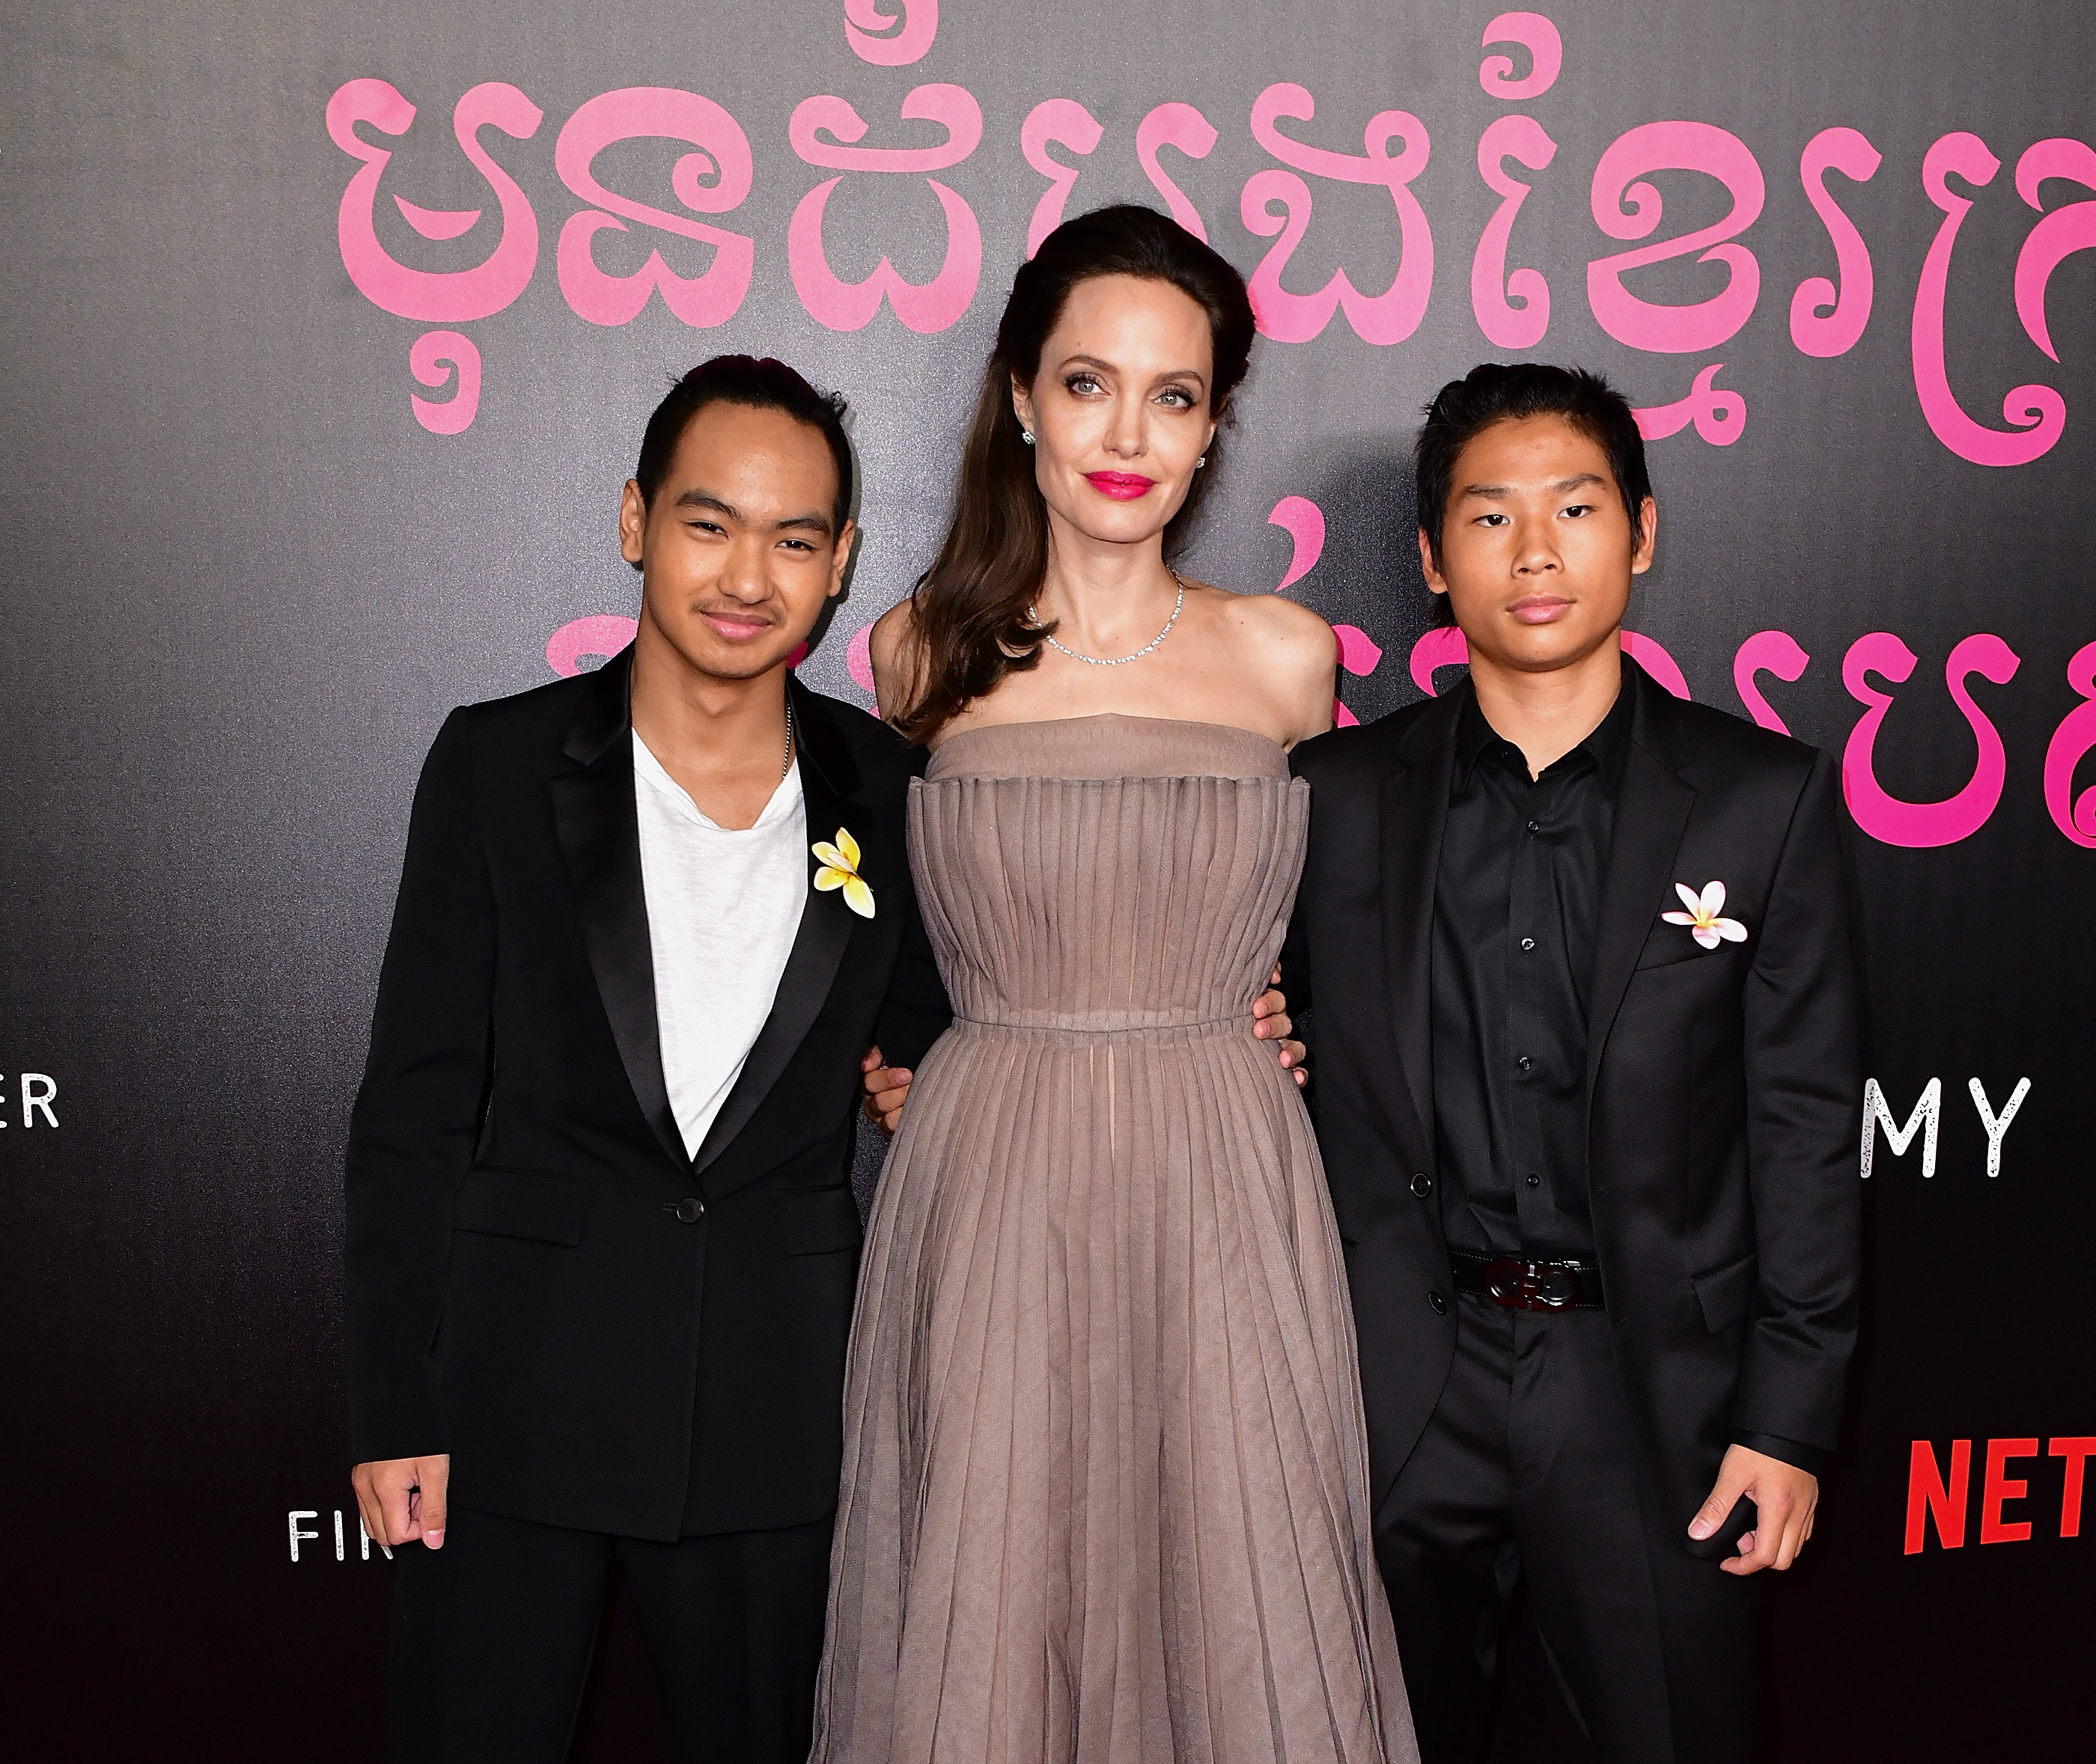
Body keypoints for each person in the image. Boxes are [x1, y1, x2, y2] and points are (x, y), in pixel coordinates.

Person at [817, 205, 1418, 1764]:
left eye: (1174, 394)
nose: (1127, 434)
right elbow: (866, 924)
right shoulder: (913, 657)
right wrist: (906, 1052)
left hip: (1222, 1171)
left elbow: (1339, 933)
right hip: (996, 1174)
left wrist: (1264, 1004)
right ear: (1019, 394)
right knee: (989, 1610)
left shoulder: (1290, 659)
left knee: (1241, 1597)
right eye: (1089, 384)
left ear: (1215, 425)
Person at [344, 355, 954, 1764]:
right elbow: (415, 1111)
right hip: (510, 1410)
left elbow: (940, 1043)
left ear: (841, 561)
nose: (749, 574)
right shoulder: (495, 767)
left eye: (795, 539)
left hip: (777, 1412)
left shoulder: (892, 789)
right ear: (635, 521)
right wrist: (395, 1410)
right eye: (708, 523)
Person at [1282, 364, 1863, 1764]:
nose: (1534, 551)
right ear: (1430, 560)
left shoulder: (1759, 802)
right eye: (1488, 517)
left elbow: (1802, 1131)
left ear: (1641, 531)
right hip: (1402, 1385)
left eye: (1576, 506)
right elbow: (1255, 1030)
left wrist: (1789, 1421)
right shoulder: (1331, 800)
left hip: (1653, 1389)